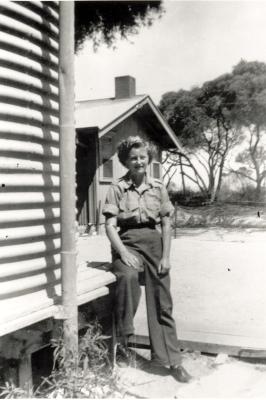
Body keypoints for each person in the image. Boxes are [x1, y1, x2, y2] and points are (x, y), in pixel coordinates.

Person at [102, 136, 191, 383]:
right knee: (127, 275)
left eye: (142, 157)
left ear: (148, 159)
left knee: (162, 300)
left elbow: (166, 222)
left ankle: (171, 361)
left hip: (154, 242)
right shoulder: (117, 188)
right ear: (125, 162)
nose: (139, 161)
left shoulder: (158, 187)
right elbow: (109, 226)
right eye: (133, 158)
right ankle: (123, 336)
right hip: (127, 241)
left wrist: (165, 256)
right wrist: (123, 253)